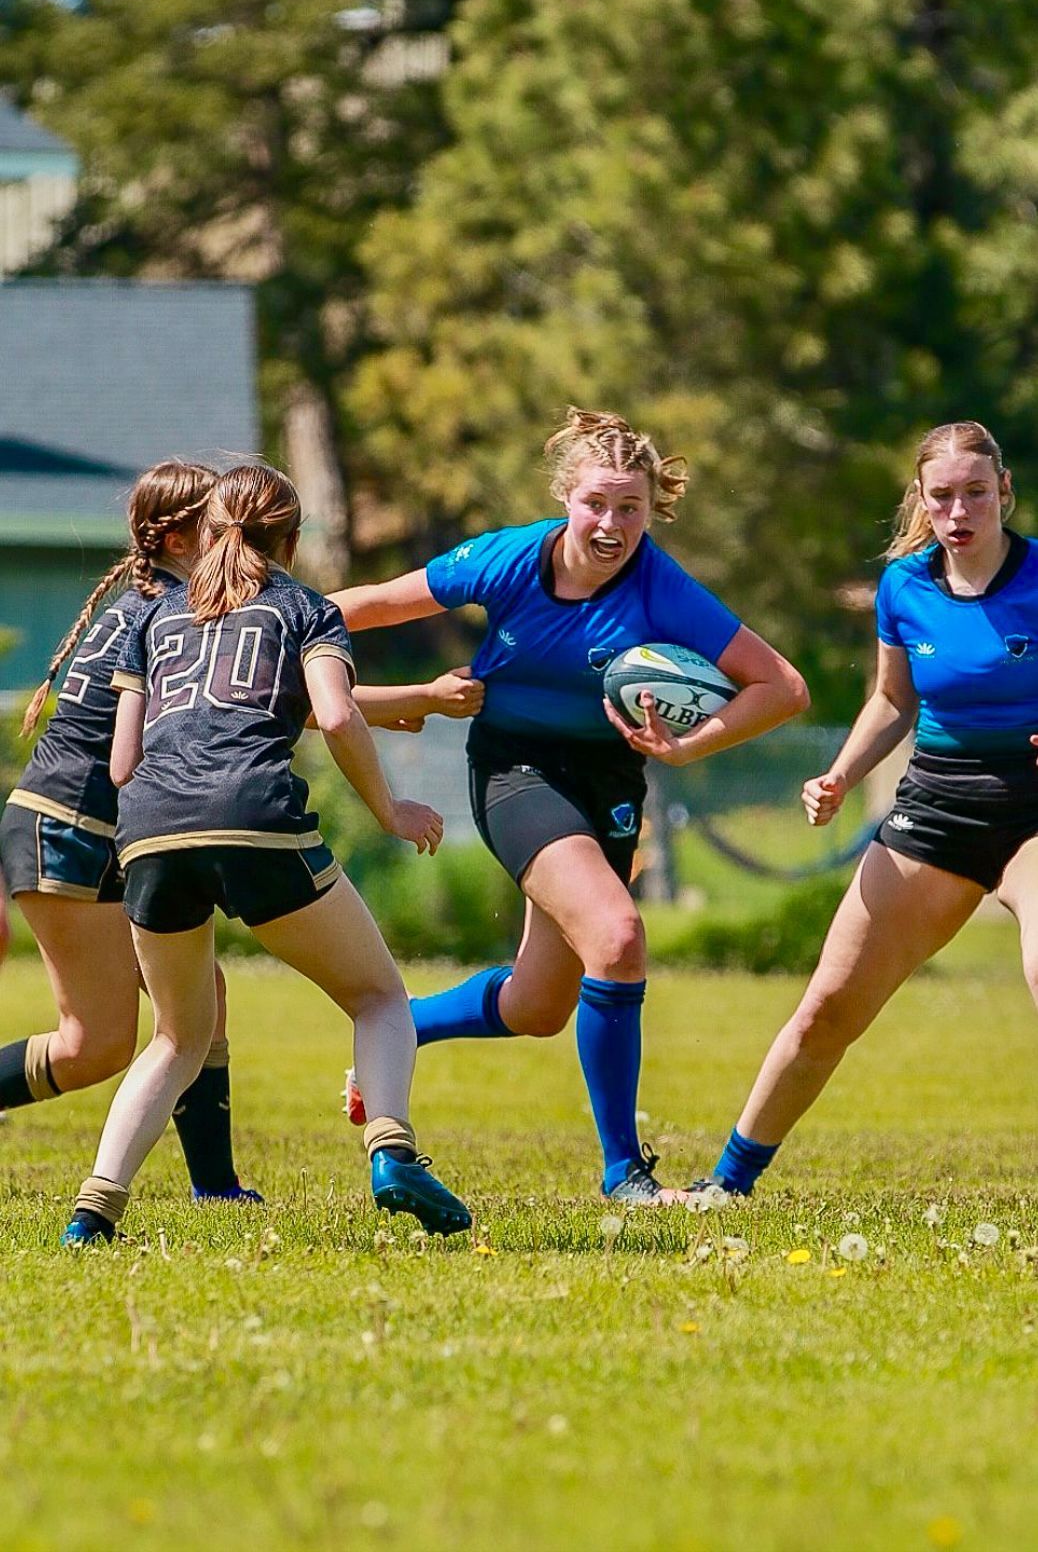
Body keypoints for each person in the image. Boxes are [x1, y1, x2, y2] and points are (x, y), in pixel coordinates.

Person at [332, 408, 808, 1204]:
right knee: (618, 939)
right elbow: (375, 603)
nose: (613, 524)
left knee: (538, 1004)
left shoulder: (662, 587)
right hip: (514, 772)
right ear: (564, 498)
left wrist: (688, 746)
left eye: (631, 507)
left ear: (654, 508)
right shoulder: (509, 559)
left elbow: (782, 688)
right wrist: (267, 621)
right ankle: (625, 1173)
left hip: (609, 784)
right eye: (596, 503)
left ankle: (398, 1027)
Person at [61, 464, 471, 1244]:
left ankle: (92, 1210)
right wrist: (389, 810)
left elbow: (121, 764)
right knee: (379, 999)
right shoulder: (304, 609)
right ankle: (392, 1152)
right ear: (291, 536)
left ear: (211, 529)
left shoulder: (157, 616)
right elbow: (339, 716)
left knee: (179, 1037)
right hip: (254, 816)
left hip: (147, 828)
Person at [699, 420, 1038, 1197]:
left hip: (1032, 811)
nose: (960, 512)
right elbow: (892, 698)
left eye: (976, 494)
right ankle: (727, 1183)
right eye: (943, 496)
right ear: (922, 499)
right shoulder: (905, 587)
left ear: (1004, 493)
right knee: (826, 1010)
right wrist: (841, 776)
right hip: (938, 807)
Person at [0, 462, 260, 1201]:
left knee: (198, 994)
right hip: (69, 828)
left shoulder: (161, 602)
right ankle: (213, 1187)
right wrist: (406, 698)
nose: (237, 540)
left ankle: (217, 1188)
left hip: (88, 828)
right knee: (95, 1047)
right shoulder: (171, 612)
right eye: (221, 525)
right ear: (179, 537)